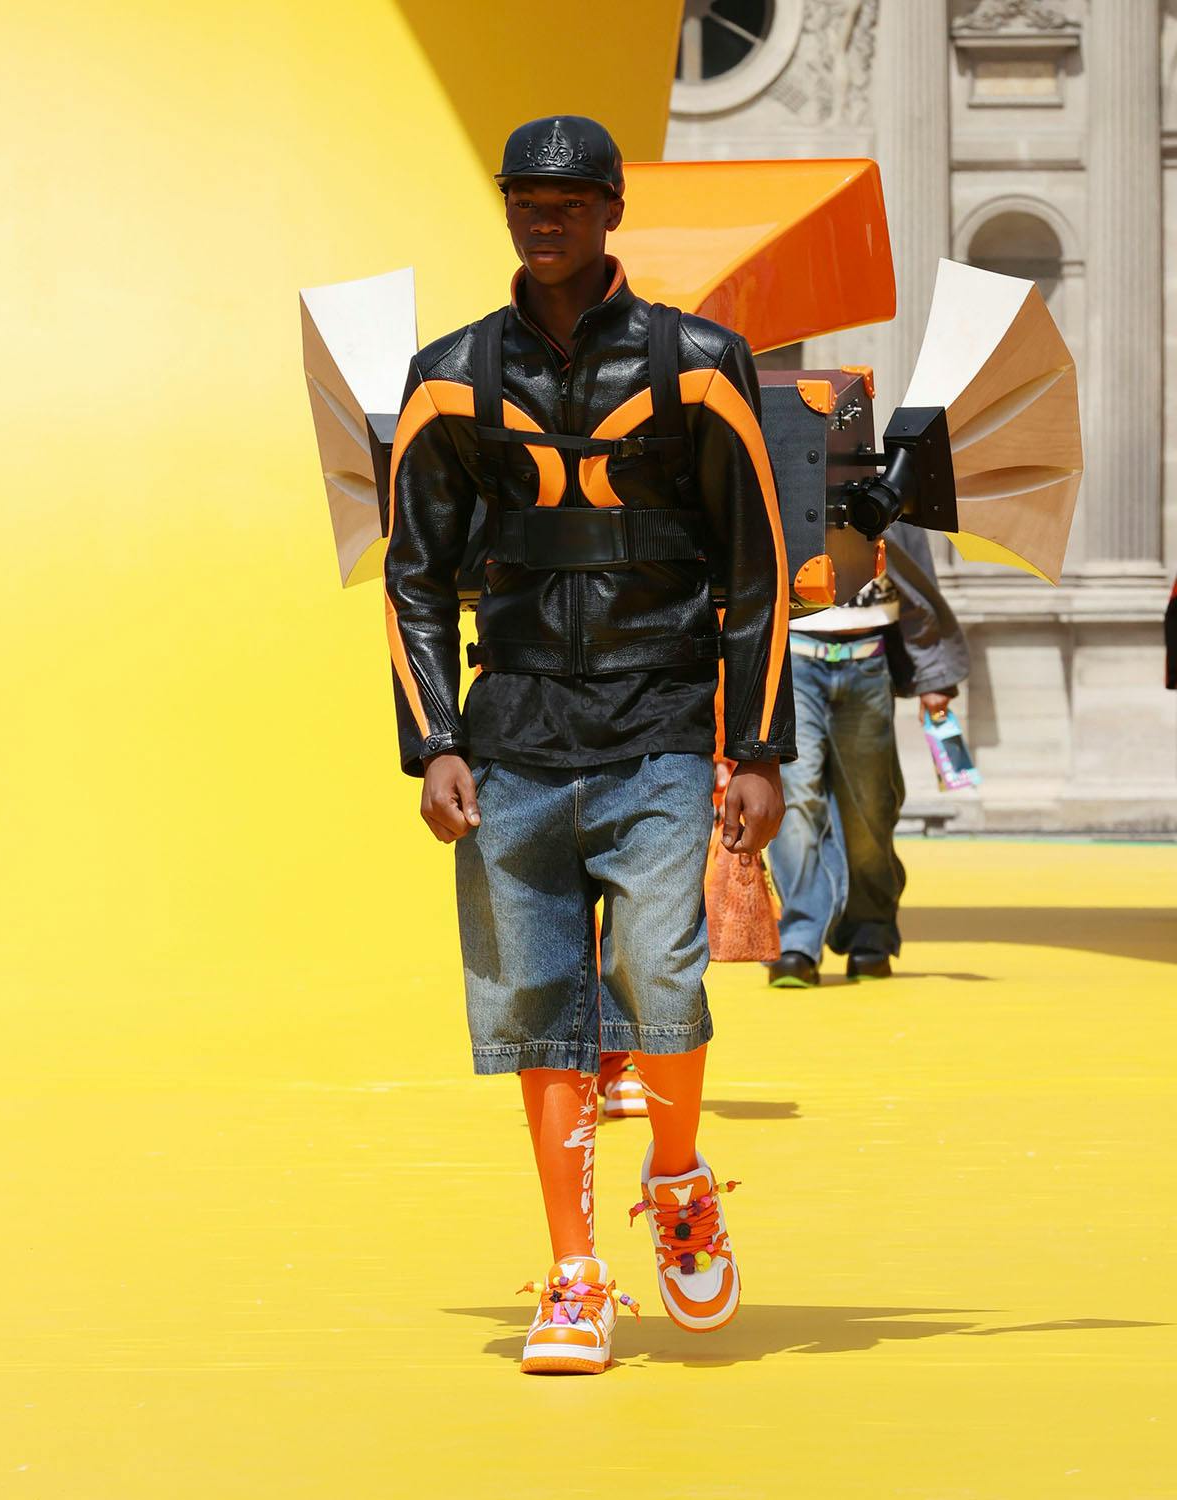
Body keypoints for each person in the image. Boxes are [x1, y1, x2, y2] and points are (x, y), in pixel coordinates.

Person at [384, 115, 794, 1373]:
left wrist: (763, 750)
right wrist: (434, 741)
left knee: (660, 979)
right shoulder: (449, 377)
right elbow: (413, 575)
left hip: (660, 730)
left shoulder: (700, 363)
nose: (543, 216)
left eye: (567, 198)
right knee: (533, 1005)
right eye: (524, 198)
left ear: (614, 211)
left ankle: (677, 1182)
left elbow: (755, 567)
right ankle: (572, 1274)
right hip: (510, 742)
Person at [766, 523, 969, 986]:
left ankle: (870, 935)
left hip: (869, 657)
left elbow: (917, 578)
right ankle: (798, 941)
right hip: (796, 655)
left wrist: (934, 678)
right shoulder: (785, 461)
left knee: (870, 809)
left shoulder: (889, 471)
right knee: (796, 803)